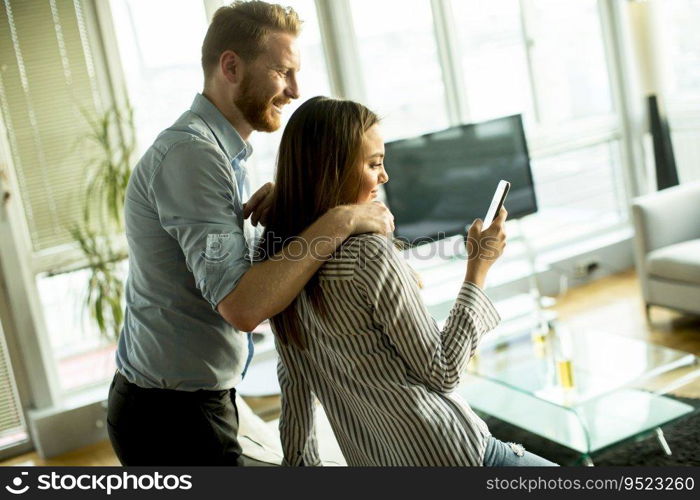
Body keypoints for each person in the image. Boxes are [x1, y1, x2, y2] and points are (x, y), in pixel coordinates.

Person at [107, 2, 394, 466]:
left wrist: (292, 205)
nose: (295, 90)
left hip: (191, 403)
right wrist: (341, 219)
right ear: (231, 66)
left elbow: (238, 270)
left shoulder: (221, 155)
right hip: (170, 419)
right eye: (283, 72)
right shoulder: (192, 157)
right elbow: (243, 305)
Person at [259, 96, 557, 466]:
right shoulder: (367, 253)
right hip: (450, 455)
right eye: (374, 164)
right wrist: (478, 267)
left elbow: (295, 381)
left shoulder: (273, 261)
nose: (384, 176)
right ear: (331, 170)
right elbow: (444, 370)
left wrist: (300, 466)